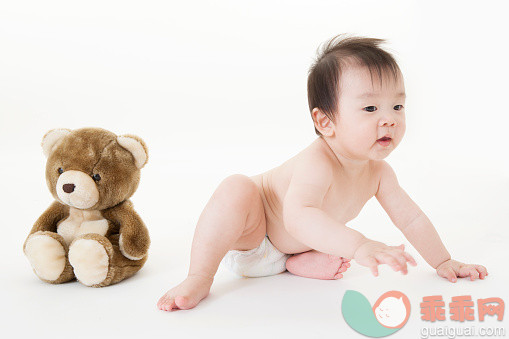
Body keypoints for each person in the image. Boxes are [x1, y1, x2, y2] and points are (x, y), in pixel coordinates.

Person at [157, 35, 488, 312]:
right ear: (325, 122)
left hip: (293, 248)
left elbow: (411, 219)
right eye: (371, 108)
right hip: (251, 238)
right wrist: (359, 245)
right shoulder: (318, 162)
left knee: (329, 238)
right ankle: (199, 276)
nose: (388, 119)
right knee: (236, 188)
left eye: (397, 106)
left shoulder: (380, 173)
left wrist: (443, 261)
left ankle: (296, 263)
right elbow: (298, 218)